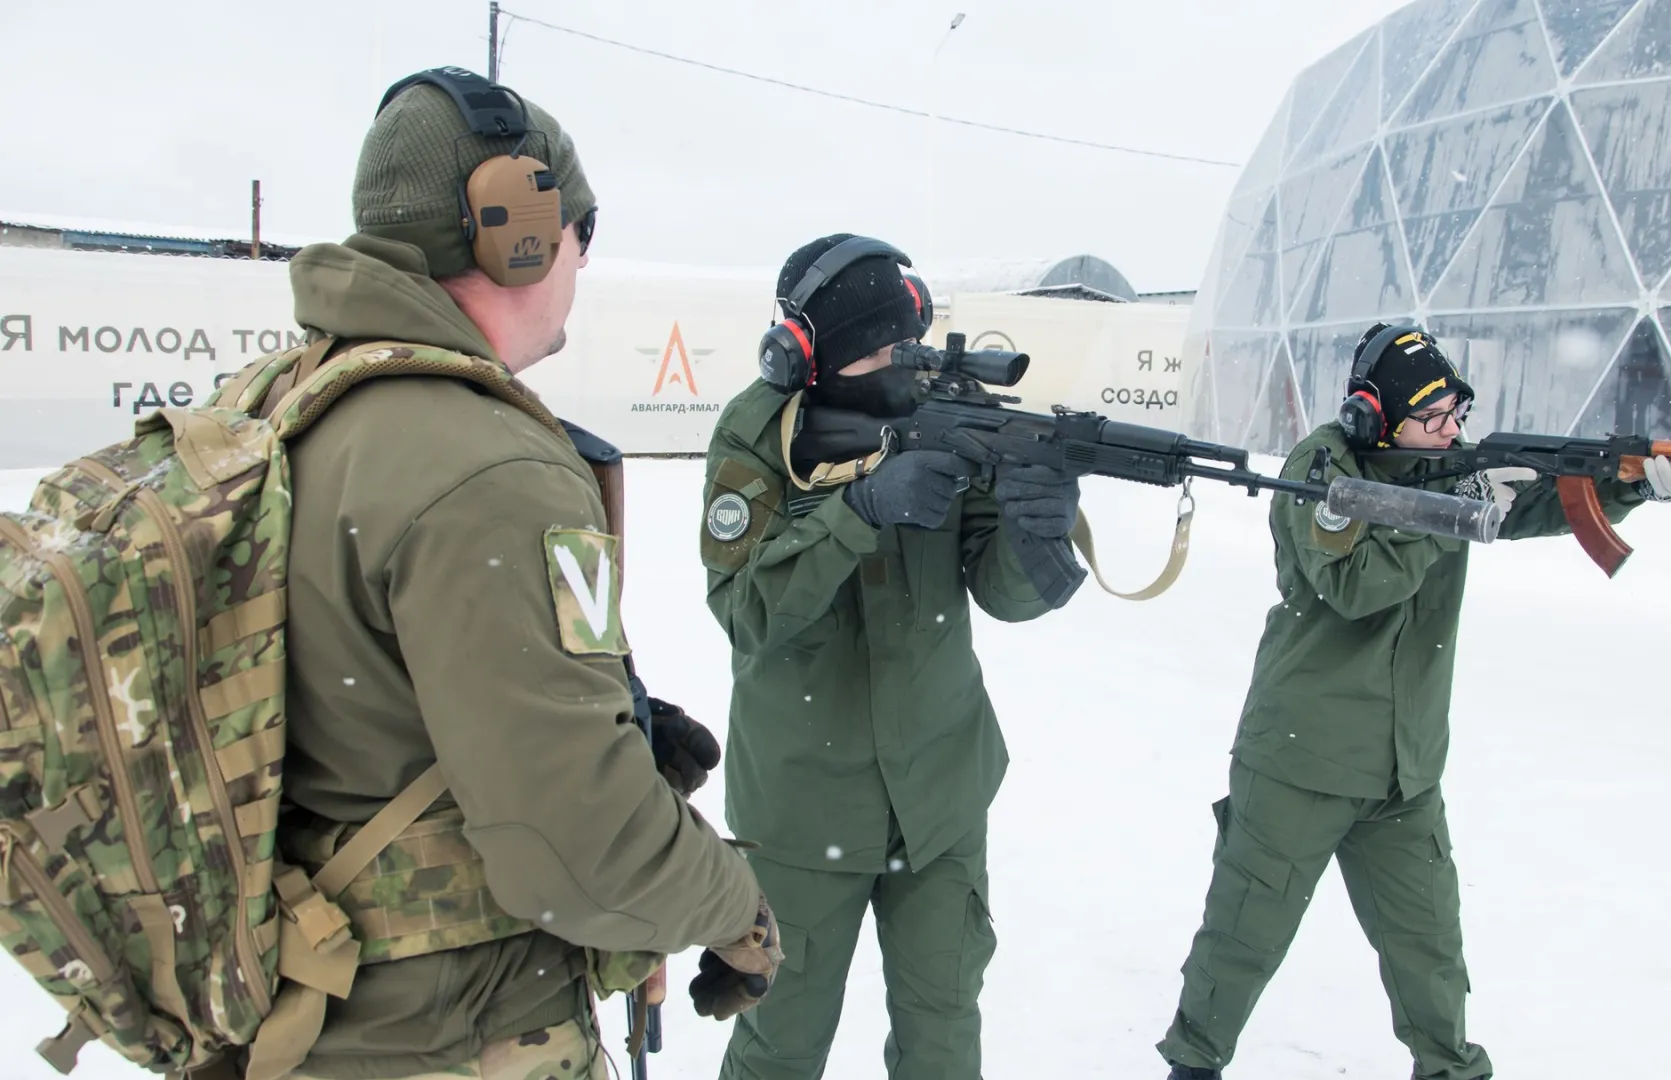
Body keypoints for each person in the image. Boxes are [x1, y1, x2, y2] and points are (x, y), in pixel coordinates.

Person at [259, 66, 779, 1080]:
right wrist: (735, 908)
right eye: (584, 232)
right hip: (445, 1032)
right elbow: (579, 849)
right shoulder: (487, 467)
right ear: (521, 231)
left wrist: (596, 716)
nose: (582, 263)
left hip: (312, 1018)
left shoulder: (295, 400)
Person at [1156, 323, 1671, 1080]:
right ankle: (1194, 1065)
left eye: (1458, 415)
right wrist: (1463, 502)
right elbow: (1353, 586)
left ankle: (1450, 1070)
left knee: (1430, 951)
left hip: (1404, 769)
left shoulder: (1452, 470)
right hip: (1303, 757)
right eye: (1434, 418)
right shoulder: (1321, 466)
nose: (1453, 433)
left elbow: (1538, 503)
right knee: (1244, 935)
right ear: (1372, 416)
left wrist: (1631, 481)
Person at [697, 233, 1082, 1079]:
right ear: (808, 358)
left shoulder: (944, 411)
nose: (899, 368)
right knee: (779, 1046)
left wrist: (1038, 523)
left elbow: (1007, 592)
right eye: (877, 352)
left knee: (942, 1039)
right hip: (802, 812)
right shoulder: (760, 434)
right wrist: (859, 511)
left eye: (906, 345)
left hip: (940, 798)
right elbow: (748, 612)